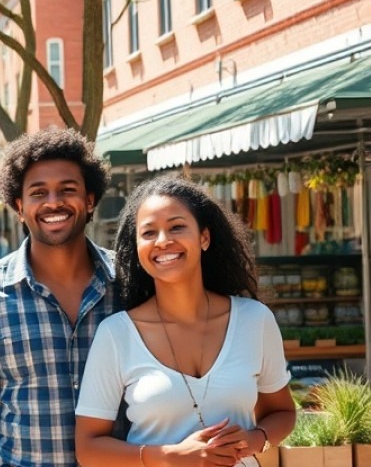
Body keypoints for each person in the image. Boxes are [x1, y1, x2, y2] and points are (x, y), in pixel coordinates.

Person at [75, 175, 296, 467]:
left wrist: (256, 439)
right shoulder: (116, 335)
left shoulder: (254, 320)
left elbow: (283, 412)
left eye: (177, 227)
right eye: (149, 233)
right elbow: (89, 448)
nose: (163, 241)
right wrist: (170, 456)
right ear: (138, 247)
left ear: (204, 237)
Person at [0, 129, 122, 467]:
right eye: (39, 192)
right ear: (19, 207)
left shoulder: (128, 283)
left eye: (68, 190)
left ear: (91, 199)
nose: (53, 202)